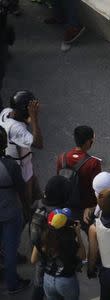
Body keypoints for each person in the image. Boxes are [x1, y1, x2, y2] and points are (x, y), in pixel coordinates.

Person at [0, 91, 43, 222]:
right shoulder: (17, 129)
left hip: (22, 164)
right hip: (21, 170)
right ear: (25, 111)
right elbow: (38, 143)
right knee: (26, 202)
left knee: (37, 192)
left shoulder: (6, 112)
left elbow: (23, 121)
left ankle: (35, 207)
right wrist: (34, 118)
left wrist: (29, 116)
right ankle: (27, 222)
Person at [30, 175, 72, 300]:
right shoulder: (58, 214)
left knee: (38, 282)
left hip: (38, 249)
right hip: (53, 258)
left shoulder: (39, 204)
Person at [0, 125, 30, 294]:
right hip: (10, 212)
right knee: (11, 248)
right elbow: (22, 190)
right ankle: (13, 284)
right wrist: (27, 209)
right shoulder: (10, 166)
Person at [30, 208, 86, 300]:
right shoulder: (69, 239)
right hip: (66, 281)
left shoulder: (42, 236)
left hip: (48, 280)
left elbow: (33, 260)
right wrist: (78, 234)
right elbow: (82, 256)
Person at [57, 125, 101, 230]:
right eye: (92, 140)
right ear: (87, 142)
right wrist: (93, 207)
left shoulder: (61, 158)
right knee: (93, 236)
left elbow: (58, 182)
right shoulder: (93, 163)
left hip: (67, 206)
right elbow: (98, 188)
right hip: (87, 209)